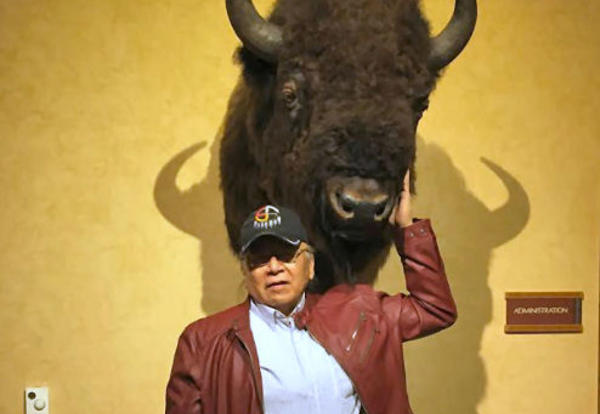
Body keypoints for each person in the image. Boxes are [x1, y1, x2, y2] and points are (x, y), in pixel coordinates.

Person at [165, 172, 457, 414]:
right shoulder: (202, 341)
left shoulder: (360, 312)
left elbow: (435, 309)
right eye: (260, 258)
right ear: (245, 270)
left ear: (311, 265)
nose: (274, 267)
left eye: (286, 254)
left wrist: (406, 229)